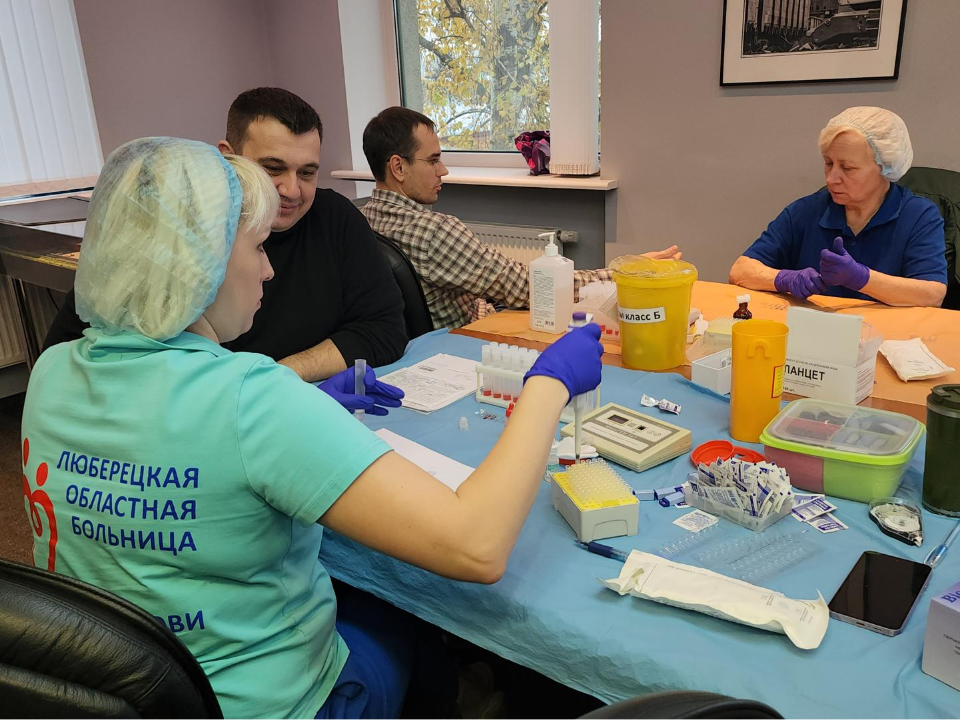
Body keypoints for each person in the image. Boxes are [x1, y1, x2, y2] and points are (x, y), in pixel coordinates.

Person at [21, 137, 603, 719]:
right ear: (201, 263)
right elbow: (477, 547)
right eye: (257, 247)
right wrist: (546, 384)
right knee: (407, 608)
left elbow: (176, 437)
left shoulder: (51, 370)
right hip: (280, 706)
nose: (268, 269)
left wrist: (300, 406)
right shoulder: (251, 398)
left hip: (127, 692)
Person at [43, 87, 407, 381]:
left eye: (307, 173)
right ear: (227, 157)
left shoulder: (334, 218)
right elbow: (73, 353)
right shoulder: (167, 228)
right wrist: (240, 392)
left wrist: (274, 380)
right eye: (272, 169)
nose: (291, 190)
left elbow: (385, 328)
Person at [360, 106, 682, 329]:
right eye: (433, 160)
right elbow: (534, 287)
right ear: (398, 167)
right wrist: (623, 273)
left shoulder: (360, 222)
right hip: (468, 340)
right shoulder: (434, 233)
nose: (443, 170)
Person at [730, 106, 947, 307]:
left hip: (888, 331)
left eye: (848, 168)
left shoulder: (919, 216)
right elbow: (740, 270)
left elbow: (932, 294)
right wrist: (783, 279)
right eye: (828, 163)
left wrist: (862, 278)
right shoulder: (806, 211)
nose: (831, 179)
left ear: (886, 167)